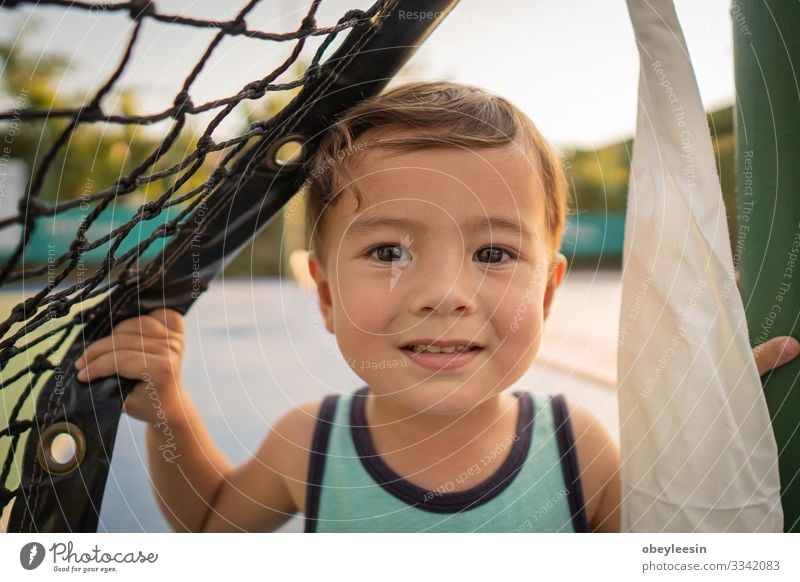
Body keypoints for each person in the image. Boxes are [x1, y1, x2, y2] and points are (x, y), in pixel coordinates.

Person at [73, 82, 800, 533]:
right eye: (389, 251)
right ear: (325, 294)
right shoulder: (312, 442)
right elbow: (207, 529)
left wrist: (712, 425)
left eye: (493, 255)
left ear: (547, 292)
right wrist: (170, 413)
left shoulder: (580, 450)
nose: (444, 293)